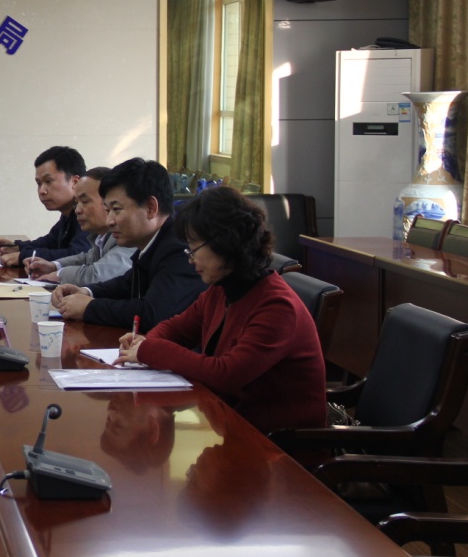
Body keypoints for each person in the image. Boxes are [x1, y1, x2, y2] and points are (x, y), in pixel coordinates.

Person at [116, 186, 327, 434]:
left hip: (280, 444)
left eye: (194, 248)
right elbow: (176, 328)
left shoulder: (277, 307)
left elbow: (226, 374)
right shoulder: (221, 289)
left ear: (226, 242)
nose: (190, 259)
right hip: (234, 425)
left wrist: (151, 350)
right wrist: (145, 343)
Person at [51, 157, 205, 329]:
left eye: (116, 210)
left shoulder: (180, 248)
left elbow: (152, 313)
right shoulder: (153, 241)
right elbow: (127, 284)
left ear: (150, 207)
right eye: (108, 210)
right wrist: (86, 291)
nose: (109, 221)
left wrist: (89, 307)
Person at [24, 166, 133, 286]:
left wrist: (60, 274)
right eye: (76, 203)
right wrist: (53, 266)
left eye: (85, 201)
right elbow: (87, 259)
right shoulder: (102, 237)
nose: (77, 210)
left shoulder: (128, 236)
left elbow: (97, 275)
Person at [0, 146, 92, 267]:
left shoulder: (88, 213)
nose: (41, 191)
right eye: (39, 183)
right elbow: (50, 242)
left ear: (75, 182)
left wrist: (24, 256)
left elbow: (77, 255)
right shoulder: (68, 213)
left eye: (48, 181)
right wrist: (17, 247)